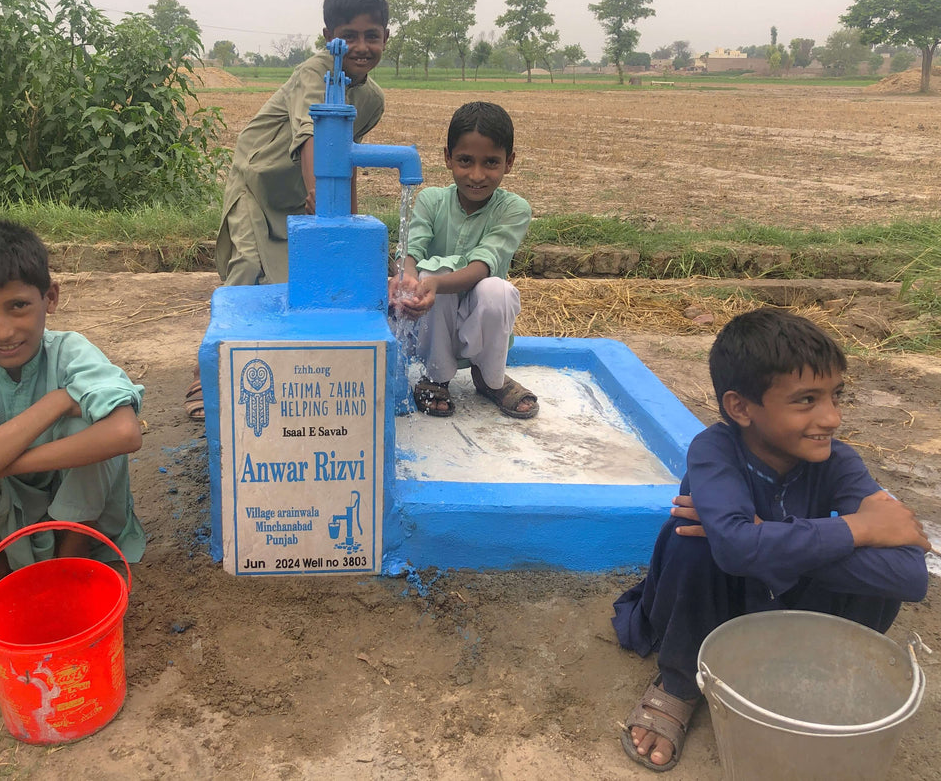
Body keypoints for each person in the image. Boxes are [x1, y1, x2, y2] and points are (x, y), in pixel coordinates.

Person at [612, 308, 930, 772]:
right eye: (806, 400)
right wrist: (857, 530)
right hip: (719, 602)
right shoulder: (715, 451)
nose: (832, 418)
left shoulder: (838, 463)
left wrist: (765, 538)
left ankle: (814, 670)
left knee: (877, 573)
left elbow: (909, 575)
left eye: (835, 396)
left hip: (793, 611)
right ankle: (679, 682)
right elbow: (734, 551)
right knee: (692, 540)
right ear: (741, 407)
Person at [0, 221, 146, 656]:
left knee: (93, 435)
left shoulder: (72, 351)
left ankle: (64, 572)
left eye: (19, 305)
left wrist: (3, 460)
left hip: (80, 516)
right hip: (3, 516)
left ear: (51, 298)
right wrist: (60, 400)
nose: (2, 331)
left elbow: (125, 432)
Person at [184, 0, 390, 420]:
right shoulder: (316, 73)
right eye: (349, 35)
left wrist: (346, 218)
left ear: (386, 38)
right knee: (248, 269)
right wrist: (320, 197)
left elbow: (346, 156)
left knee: (290, 280)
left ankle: (278, 366)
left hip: (298, 192)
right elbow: (312, 134)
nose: (361, 46)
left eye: (372, 36)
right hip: (257, 184)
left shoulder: (371, 100)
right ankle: (208, 376)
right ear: (328, 35)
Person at [390, 101, 538, 419]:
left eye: (491, 163)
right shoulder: (431, 200)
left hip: (479, 323)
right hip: (431, 323)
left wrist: (432, 282)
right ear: (448, 158)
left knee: (497, 290)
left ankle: (489, 378)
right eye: (465, 161)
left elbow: (483, 265)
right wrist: (410, 281)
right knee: (434, 273)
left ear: (509, 162)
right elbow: (410, 251)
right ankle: (436, 377)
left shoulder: (514, 209)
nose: (477, 175)